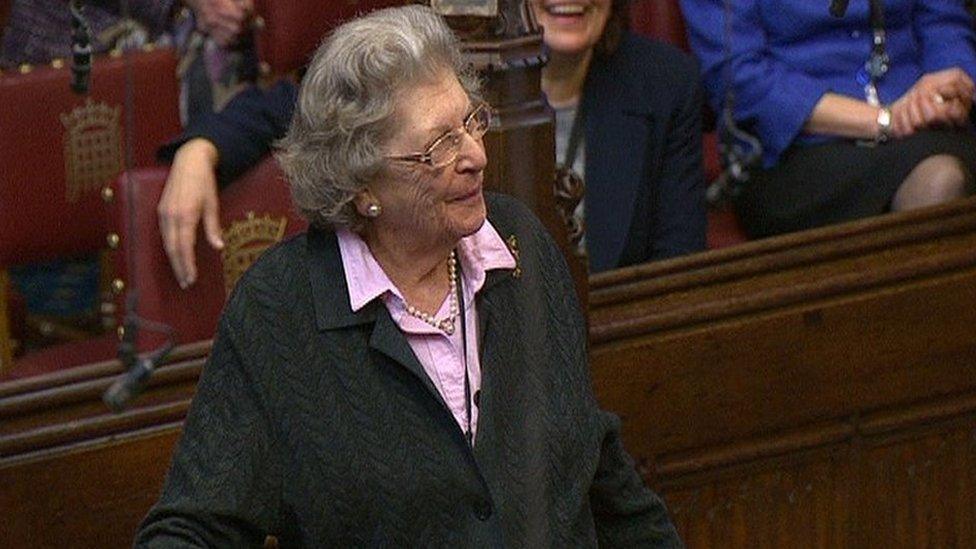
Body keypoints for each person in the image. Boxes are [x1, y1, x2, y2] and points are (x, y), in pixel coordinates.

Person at [136, 6, 681, 546]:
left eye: (471, 122)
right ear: (362, 187)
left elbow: (598, 468)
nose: (475, 156)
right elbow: (195, 525)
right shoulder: (281, 307)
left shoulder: (519, 246)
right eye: (439, 145)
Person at [156, 0, 707, 284]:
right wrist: (200, 150)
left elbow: (675, 272)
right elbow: (293, 106)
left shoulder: (666, 85)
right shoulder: (446, 71)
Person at [679, 0, 976, 238]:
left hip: (926, 128)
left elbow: (943, 24)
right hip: (794, 151)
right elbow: (740, 80)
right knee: (940, 178)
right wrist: (886, 119)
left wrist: (947, 91)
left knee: (945, 165)